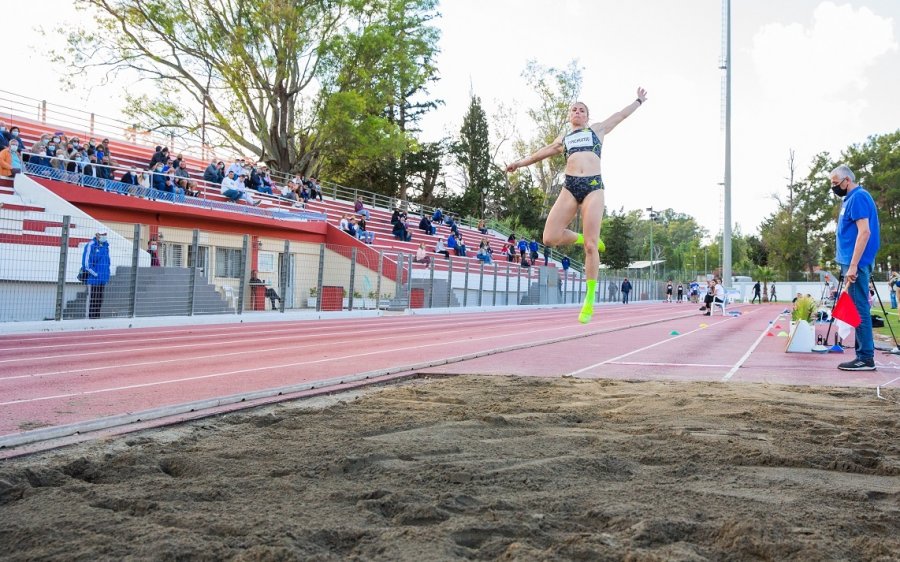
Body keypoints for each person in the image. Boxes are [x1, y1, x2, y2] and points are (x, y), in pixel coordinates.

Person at [507, 88, 647, 323]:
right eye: (574, 109)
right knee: (549, 237)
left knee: (592, 247)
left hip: (593, 186)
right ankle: (581, 237)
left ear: (587, 117)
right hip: (570, 186)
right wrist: (517, 164)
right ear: (569, 116)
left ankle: (589, 299)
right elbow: (539, 154)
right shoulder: (563, 139)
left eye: (582, 110)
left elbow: (620, 115)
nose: (577, 112)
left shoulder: (597, 130)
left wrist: (638, 101)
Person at [830, 164, 880, 371]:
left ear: (846, 180)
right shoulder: (849, 199)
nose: (833, 187)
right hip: (851, 262)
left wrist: (853, 265)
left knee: (860, 308)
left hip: (855, 263)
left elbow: (865, 232)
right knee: (857, 307)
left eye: (835, 183)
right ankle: (862, 354)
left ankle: (866, 358)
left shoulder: (858, 197)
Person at [82, 231, 111, 319]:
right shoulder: (91, 245)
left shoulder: (106, 246)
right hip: (93, 279)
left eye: (105, 234)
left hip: (102, 279)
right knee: (92, 300)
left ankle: (96, 320)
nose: (104, 236)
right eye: (102, 234)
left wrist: (107, 274)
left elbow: (107, 262)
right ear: (97, 235)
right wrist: (95, 274)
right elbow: (86, 263)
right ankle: (89, 320)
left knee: (99, 301)